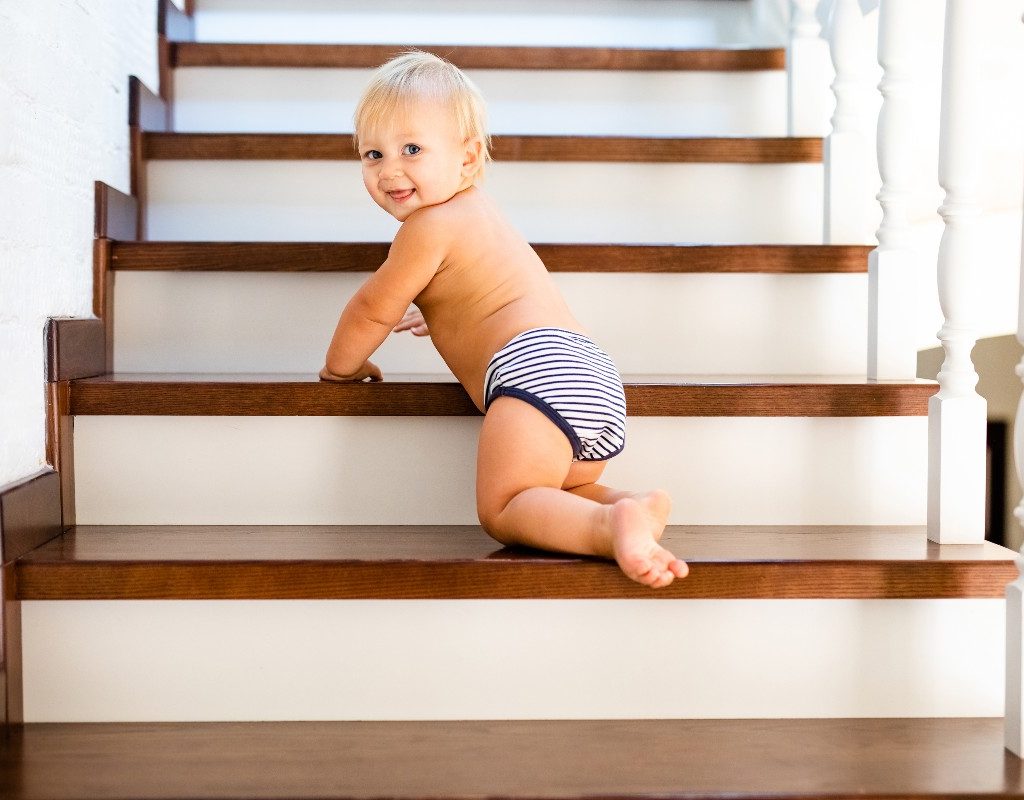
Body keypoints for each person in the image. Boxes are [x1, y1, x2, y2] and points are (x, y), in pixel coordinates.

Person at [320, 50, 688, 588]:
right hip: (590, 373)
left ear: (467, 159)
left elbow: (372, 308)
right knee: (556, 492)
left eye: (412, 149)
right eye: (372, 154)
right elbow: (488, 295)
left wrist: (342, 369)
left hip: (536, 371)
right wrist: (447, 315)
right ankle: (629, 504)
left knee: (505, 506)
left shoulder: (424, 229)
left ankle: (611, 525)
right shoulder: (483, 213)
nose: (389, 169)